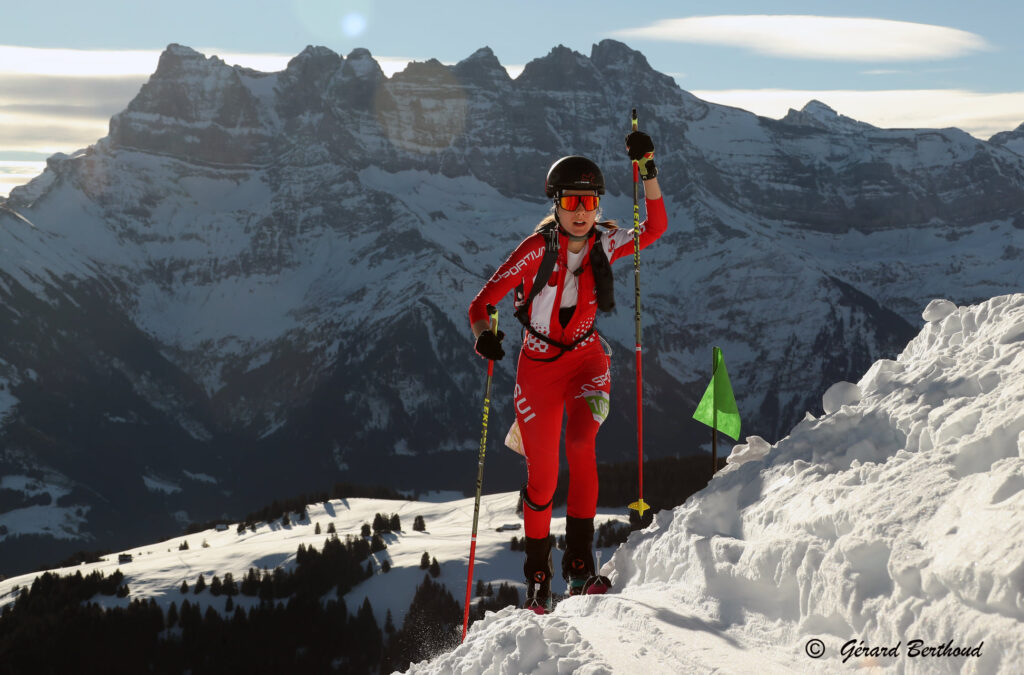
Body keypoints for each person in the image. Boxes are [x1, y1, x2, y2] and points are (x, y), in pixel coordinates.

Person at [467, 130, 666, 612]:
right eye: (572, 200)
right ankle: (538, 578)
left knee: (581, 444)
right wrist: (485, 336)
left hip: (587, 361)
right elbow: (481, 304)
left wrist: (648, 170)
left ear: (599, 205)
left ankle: (580, 568)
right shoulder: (535, 250)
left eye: (590, 200)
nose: (582, 210)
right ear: (555, 203)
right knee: (542, 480)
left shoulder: (605, 241)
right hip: (537, 371)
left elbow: (655, 227)